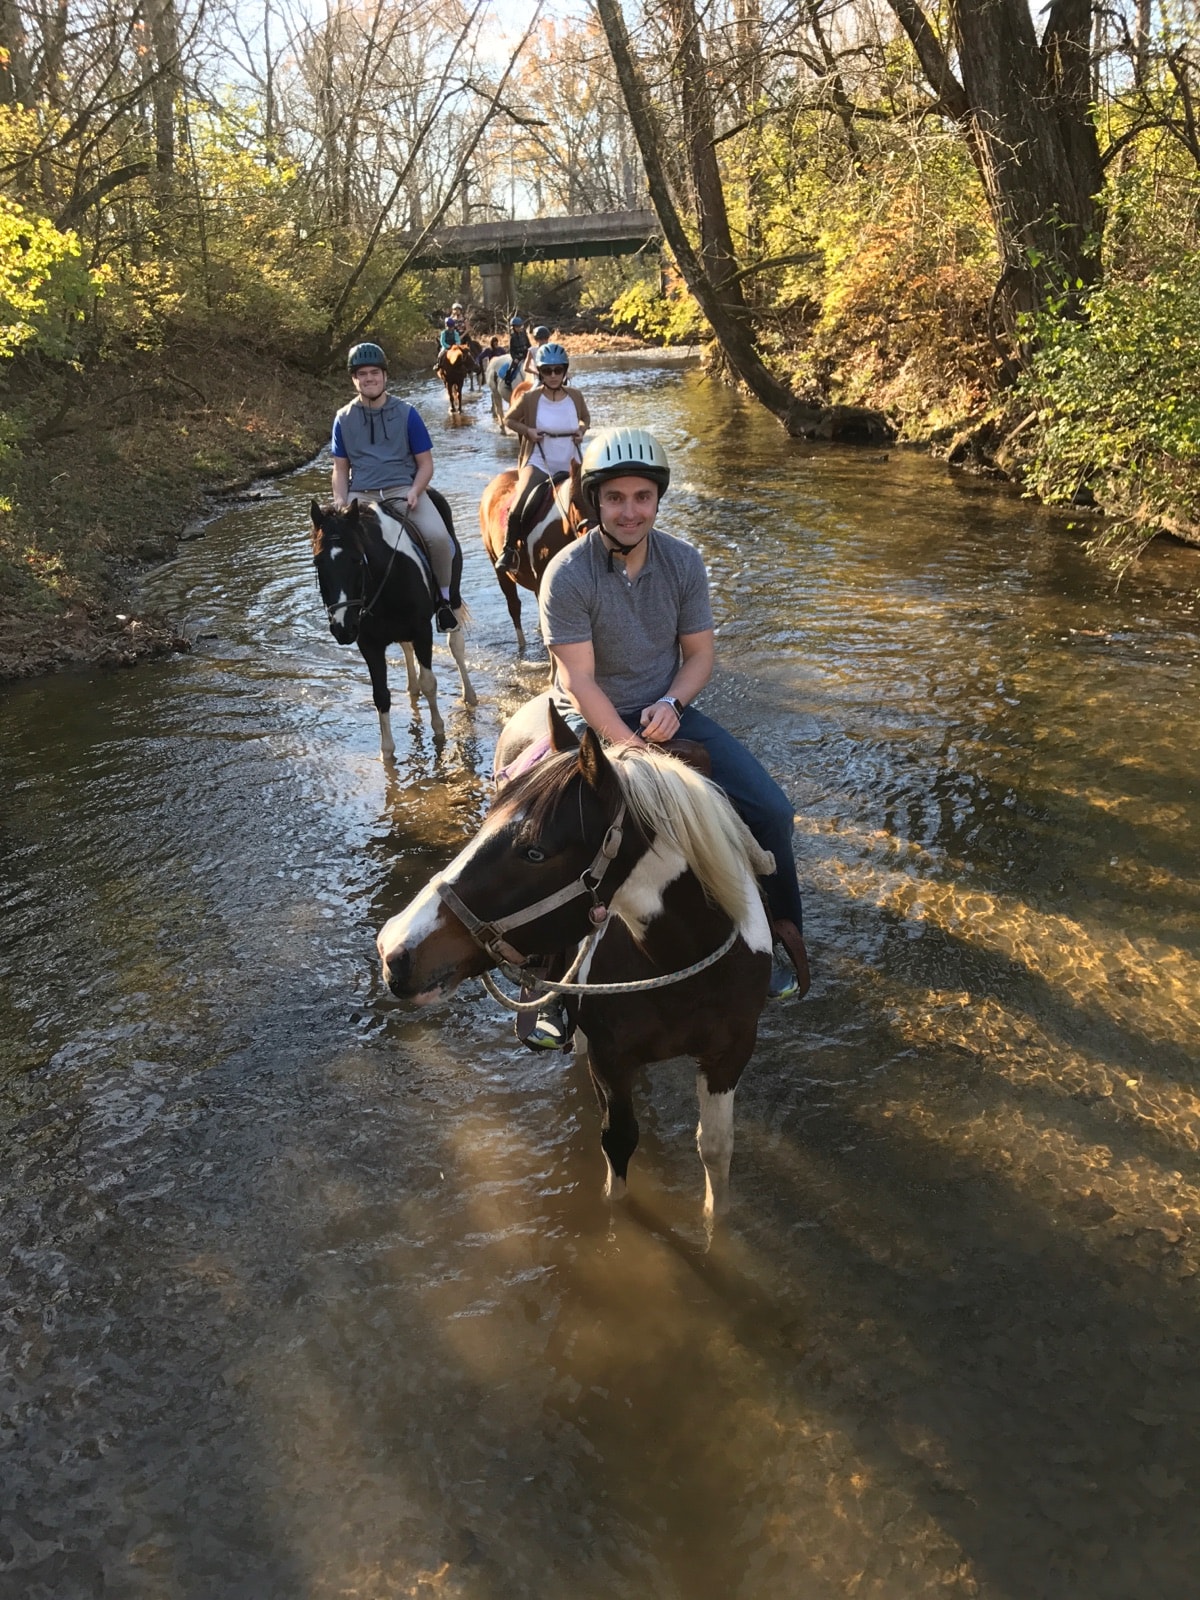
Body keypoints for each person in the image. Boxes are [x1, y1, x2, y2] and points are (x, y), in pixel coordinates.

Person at [521, 426, 810, 1049]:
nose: (630, 511)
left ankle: (784, 936)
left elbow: (700, 656)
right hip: (589, 718)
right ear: (594, 502)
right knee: (552, 839)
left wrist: (674, 704)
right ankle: (549, 987)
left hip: (666, 711)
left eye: (642, 497)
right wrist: (626, 748)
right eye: (616, 497)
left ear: (658, 499)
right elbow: (577, 679)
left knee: (773, 812)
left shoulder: (683, 561)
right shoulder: (566, 576)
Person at [330, 342, 460, 634]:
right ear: (354, 379)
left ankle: (443, 602)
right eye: (362, 374)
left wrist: (415, 490)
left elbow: (425, 464)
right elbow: (340, 469)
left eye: (374, 372)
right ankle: (342, 608)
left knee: (439, 538)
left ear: (385, 375)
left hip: (402, 489)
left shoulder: (407, 413)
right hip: (361, 495)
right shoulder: (343, 418)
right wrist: (340, 502)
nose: (369, 378)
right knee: (333, 546)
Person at [493, 341, 589, 576]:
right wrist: (529, 432)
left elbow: (585, 419)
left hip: (572, 461)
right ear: (541, 372)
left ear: (565, 371)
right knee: (520, 501)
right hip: (539, 460)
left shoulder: (575, 396)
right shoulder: (530, 398)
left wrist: (581, 430)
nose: (554, 375)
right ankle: (510, 550)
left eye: (558, 370)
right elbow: (509, 419)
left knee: (600, 499)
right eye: (548, 371)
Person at [504, 315, 531, 388]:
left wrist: (530, 354)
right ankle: (508, 381)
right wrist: (514, 358)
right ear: (513, 327)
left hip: (526, 355)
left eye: (519, 326)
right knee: (511, 368)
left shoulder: (524, 335)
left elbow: (529, 346)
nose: (518, 328)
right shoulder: (512, 337)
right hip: (517, 357)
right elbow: (511, 350)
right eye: (517, 327)